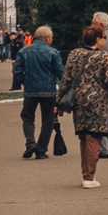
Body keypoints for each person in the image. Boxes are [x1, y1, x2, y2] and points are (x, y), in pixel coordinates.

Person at [57, 21, 108, 189]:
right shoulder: (104, 56)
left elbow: (66, 79)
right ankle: (89, 176)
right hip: (97, 102)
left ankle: (85, 173)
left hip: (79, 101)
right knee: (94, 137)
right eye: (103, 37)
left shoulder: (74, 54)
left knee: (84, 136)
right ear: (98, 39)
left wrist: (59, 102)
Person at [16, 25, 64, 159]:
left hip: (30, 91)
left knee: (27, 117)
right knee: (47, 120)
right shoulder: (53, 52)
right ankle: (41, 150)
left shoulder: (23, 52)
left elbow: (17, 71)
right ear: (47, 38)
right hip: (48, 91)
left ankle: (30, 142)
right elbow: (61, 73)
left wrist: (25, 82)